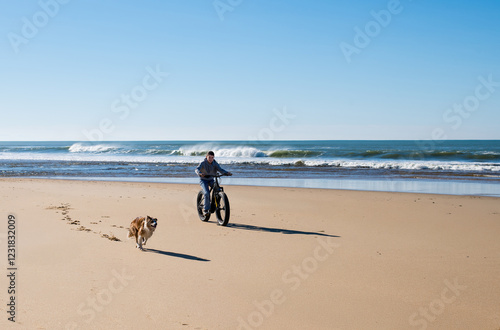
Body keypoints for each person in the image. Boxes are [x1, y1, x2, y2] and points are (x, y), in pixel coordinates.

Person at [195, 151, 232, 215]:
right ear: (206, 157)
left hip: (211, 179)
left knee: (218, 190)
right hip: (203, 180)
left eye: (212, 157)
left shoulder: (214, 163)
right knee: (207, 193)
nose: (211, 159)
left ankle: (216, 204)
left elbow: (220, 169)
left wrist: (226, 173)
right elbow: (197, 169)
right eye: (209, 157)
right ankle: (206, 210)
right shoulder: (203, 163)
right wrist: (200, 173)